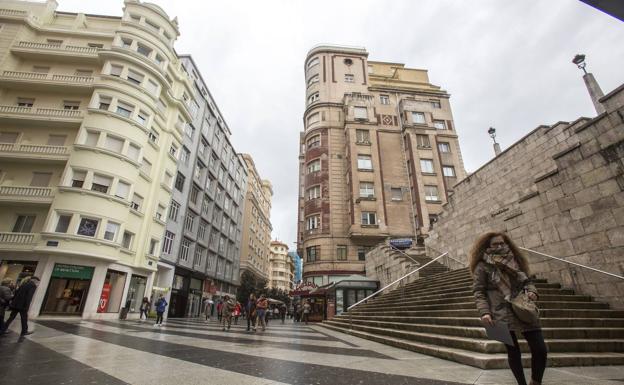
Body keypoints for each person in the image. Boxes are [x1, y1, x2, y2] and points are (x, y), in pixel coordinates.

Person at [471, 232, 547, 385]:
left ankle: (535, 381)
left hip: (522, 307)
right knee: (513, 351)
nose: (500, 246)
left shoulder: (515, 259)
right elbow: (479, 291)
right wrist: (484, 312)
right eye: (495, 244)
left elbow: (527, 280)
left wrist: (532, 291)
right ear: (487, 246)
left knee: (540, 349)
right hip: (498, 312)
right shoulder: (482, 265)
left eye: (502, 243)